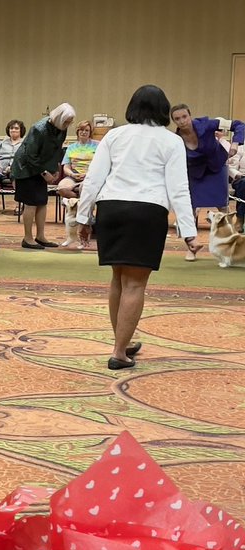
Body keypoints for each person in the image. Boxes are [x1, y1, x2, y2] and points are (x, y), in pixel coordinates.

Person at [76, 84, 201, 370]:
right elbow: (179, 189)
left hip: (111, 209)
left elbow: (94, 179)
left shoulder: (114, 135)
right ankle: (119, 352)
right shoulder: (171, 142)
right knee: (135, 283)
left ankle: (124, 341)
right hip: (147, 211)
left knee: (118, 279)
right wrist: (188, 231)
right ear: (163, 110)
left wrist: (83, 217)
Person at [170, 104, 244, 258]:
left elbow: (238, 125)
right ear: (174, 122)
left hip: (216, 168)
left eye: (184, 116)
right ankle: (191, 248)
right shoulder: (175, 139)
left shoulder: (207, 124)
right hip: (195, 174)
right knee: (190, 210)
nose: (182, 121)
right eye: (177, 119)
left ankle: (229, 249)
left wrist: (236, 143)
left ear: (190, 116)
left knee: (223, 208)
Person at [11, 103, 74, 249]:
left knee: (42, 202)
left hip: (41, 166)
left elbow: (57, 149)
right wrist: (45, 173)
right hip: (25, 168)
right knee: (31, 203)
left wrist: (55, 168)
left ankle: (40, 236)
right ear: (58, 118)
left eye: (70, 122)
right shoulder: (38, 129)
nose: (68, 124)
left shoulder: (61, 129)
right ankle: (28, 238)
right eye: (66, 121)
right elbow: (30, 155)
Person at [56, 120, 99, 198]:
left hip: (90, 176)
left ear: (90, 132)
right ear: (77, 131)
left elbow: (100, 165)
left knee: (84, 188)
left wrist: (88, 174)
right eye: (81, 130)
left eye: (87, 130)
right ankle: (78, 201)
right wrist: (72, 174)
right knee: (62, 188)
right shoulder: (71, 147)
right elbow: (66, 167)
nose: (84, 132)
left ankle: (81, 205)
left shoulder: (98, 145)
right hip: (74, 176)